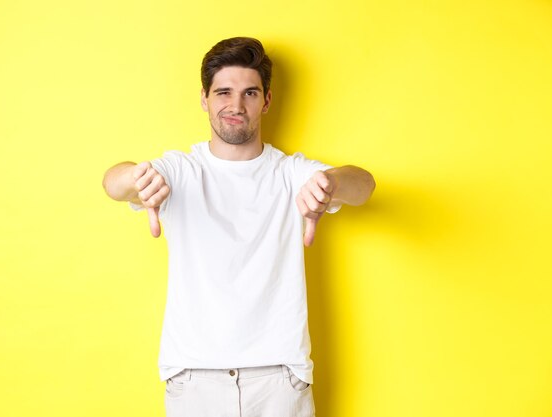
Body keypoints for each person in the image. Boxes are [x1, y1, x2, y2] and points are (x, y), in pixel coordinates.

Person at [102, 37, 375, 417]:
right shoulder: (180, 170)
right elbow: (113, 183)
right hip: (194, 379)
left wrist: (331, 183)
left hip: (280, 381)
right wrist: (135, 178)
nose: (235, 105)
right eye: (223, 92)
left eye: (249, 92)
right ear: (204, 98)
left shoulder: (291, 172)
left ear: (266, 101)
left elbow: (364, 186)